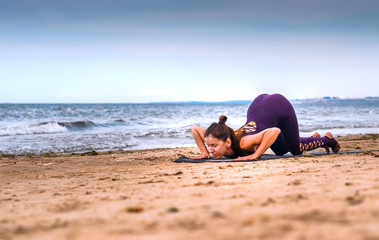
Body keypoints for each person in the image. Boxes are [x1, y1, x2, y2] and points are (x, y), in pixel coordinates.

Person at [191, 93, 340, 161]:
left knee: (295, 151)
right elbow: (195, 129)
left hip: (278, 106)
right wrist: (204, 152)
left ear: (228, 142)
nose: (211, 149)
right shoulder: (221, 135)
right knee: (281, 151)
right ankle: (310, 138)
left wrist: (255, 155)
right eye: (209, 146)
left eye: (213, 146)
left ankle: (329, 140)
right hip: (257, 107)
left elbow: (274, 131)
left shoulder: (244, 142)